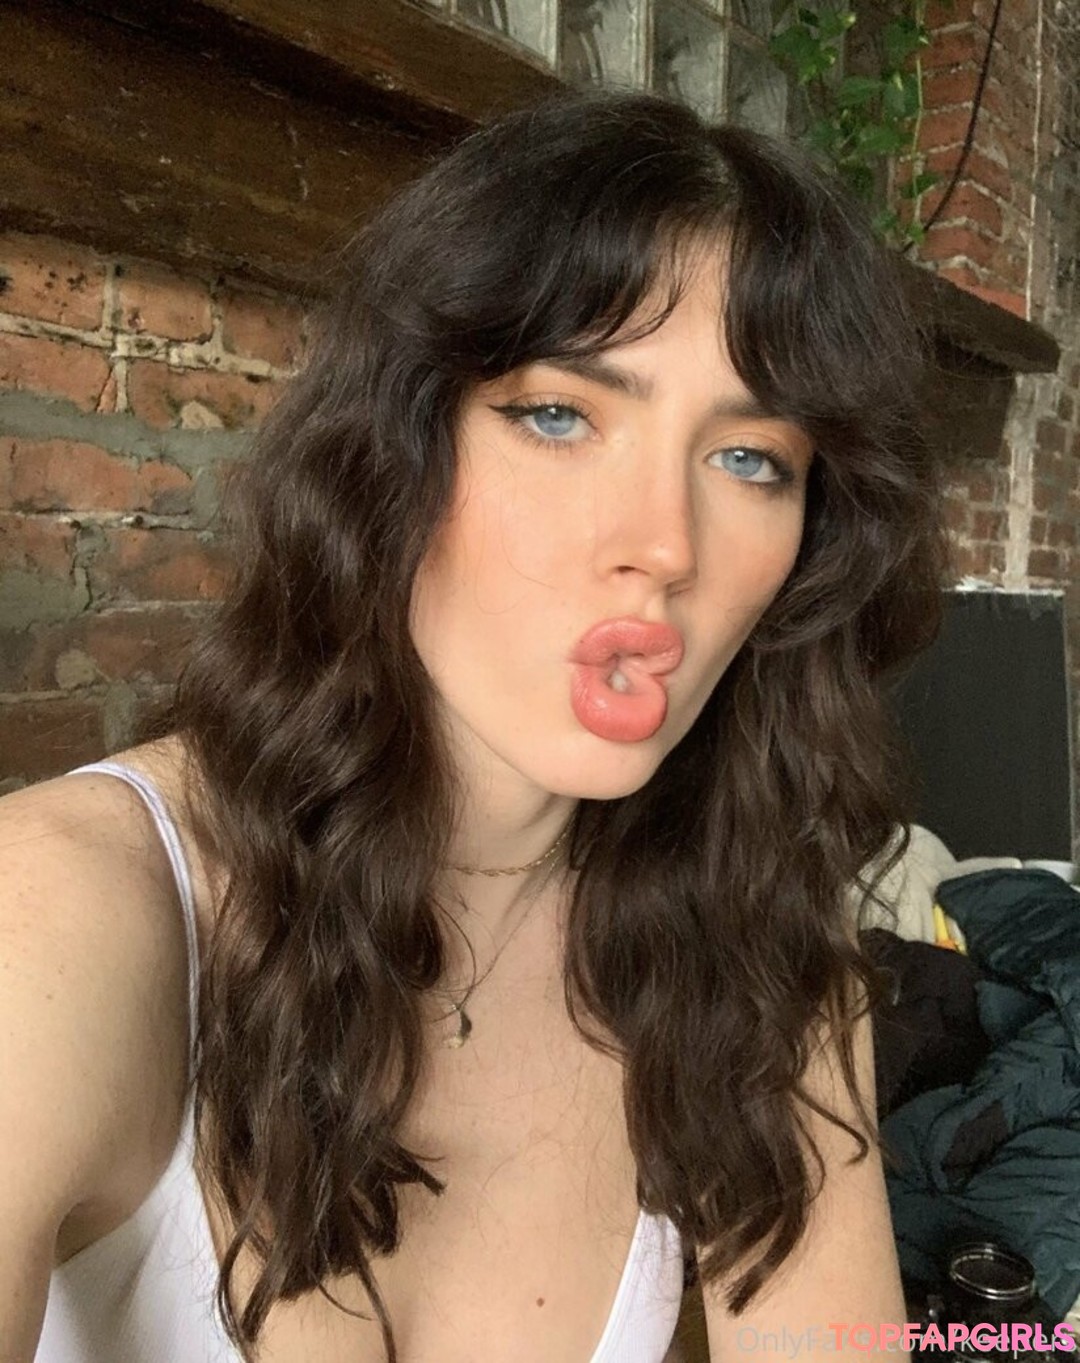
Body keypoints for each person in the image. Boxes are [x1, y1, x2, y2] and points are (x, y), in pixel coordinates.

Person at [1, 90, 947, 1363]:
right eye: (559, 415)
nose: (664, 547)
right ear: (395, 451)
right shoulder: (54, 914)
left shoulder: (762, 951)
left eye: (750, 459)